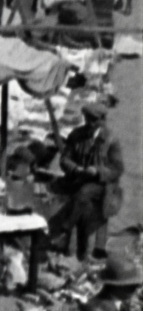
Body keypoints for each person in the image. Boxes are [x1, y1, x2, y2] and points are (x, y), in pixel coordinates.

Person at [51, 102, 124, 261]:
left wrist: (98, 171)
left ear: (102, 120)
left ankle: (65, 230)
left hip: (101, 185)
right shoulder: (76, 135)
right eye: (87, 119)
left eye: (93, 120)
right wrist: (76, 169)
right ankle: (78, 251)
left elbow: (118, 169)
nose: (89, 123)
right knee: (64, 190)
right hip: (78, 179)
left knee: (83, 193)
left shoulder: (111, 140)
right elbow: (65, 159)